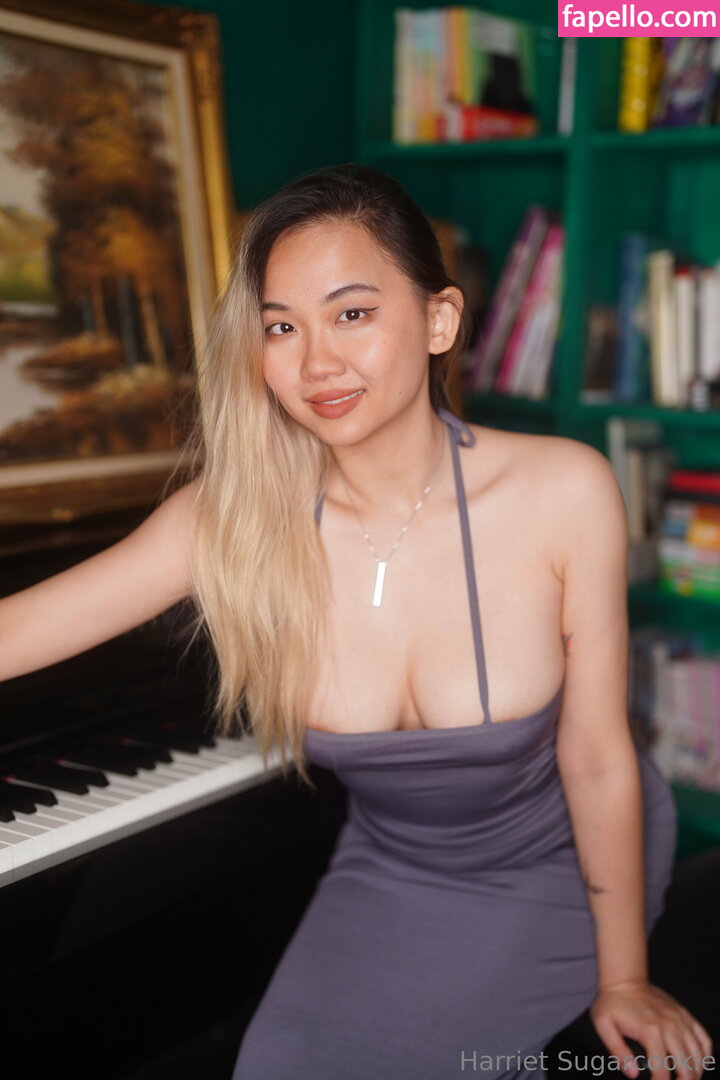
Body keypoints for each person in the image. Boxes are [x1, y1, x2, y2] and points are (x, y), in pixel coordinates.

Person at [0, 163, 711, 1080]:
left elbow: (599, 755)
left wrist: (624, 979)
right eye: (281, 327)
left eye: (353, 314)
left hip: (563, 863)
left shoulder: (564, 490)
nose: (315, 364)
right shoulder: (232, 518)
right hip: (391, 871)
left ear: (440, 322)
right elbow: (18, 631)